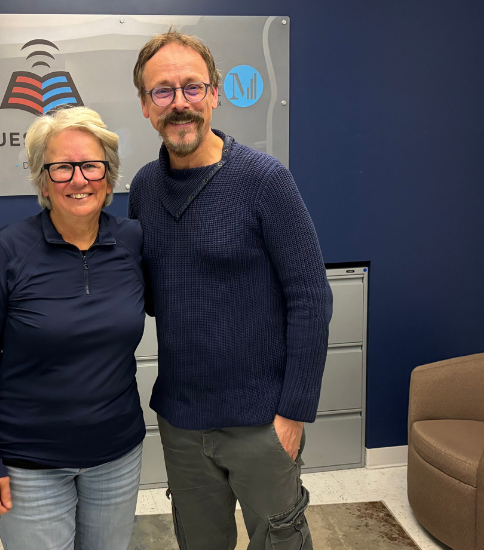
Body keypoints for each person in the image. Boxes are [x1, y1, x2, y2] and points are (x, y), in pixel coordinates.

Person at [128, 31, 332, 550]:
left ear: (215, 94)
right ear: (145, 105)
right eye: (163, 91)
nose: (180, 103)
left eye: (193, 88)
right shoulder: (145, 189)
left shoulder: (265, 179)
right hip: (182, 420)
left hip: (262, 420)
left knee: (280, 539)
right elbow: (154, 296)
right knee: (198, 541)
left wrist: (293, 413)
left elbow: (310, 296)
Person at [0, 106, 146, 550]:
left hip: (116, 455)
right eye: (62, 167)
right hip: (29, 463)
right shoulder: (9, 248)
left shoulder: (133, 241)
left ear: (109, 175)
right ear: (43, 181)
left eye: (90, 166)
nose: (78, 179)